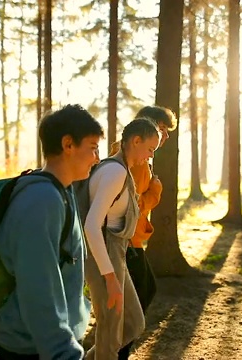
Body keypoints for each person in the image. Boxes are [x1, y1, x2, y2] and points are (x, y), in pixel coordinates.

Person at [0, 104, 104, 360]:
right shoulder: (41, 201)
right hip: (32, 347)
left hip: (44, 343)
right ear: (68, 144)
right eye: (93, 147)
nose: (97, 158)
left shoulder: (62, 191)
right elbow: (37, 287)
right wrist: (63, 352)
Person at [82, 118, 160, 359]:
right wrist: (109, 276)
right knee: (110, 331)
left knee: (134, 324)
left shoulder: (122, 170)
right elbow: (92, 226)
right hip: (103, 255)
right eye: (149, 149)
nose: (149, 156)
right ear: (135, 140)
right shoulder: (114, 171)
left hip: (117, 254)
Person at [110, 106, 177, 360]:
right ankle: (117, 351)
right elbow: (133, 204)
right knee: (140, 296)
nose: (166, 137)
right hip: (127, 239)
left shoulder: (133, 155)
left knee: (145, 291)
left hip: (130, 238)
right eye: (162, 129)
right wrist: (156, 191)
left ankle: (117, 347)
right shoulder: (136, 162)